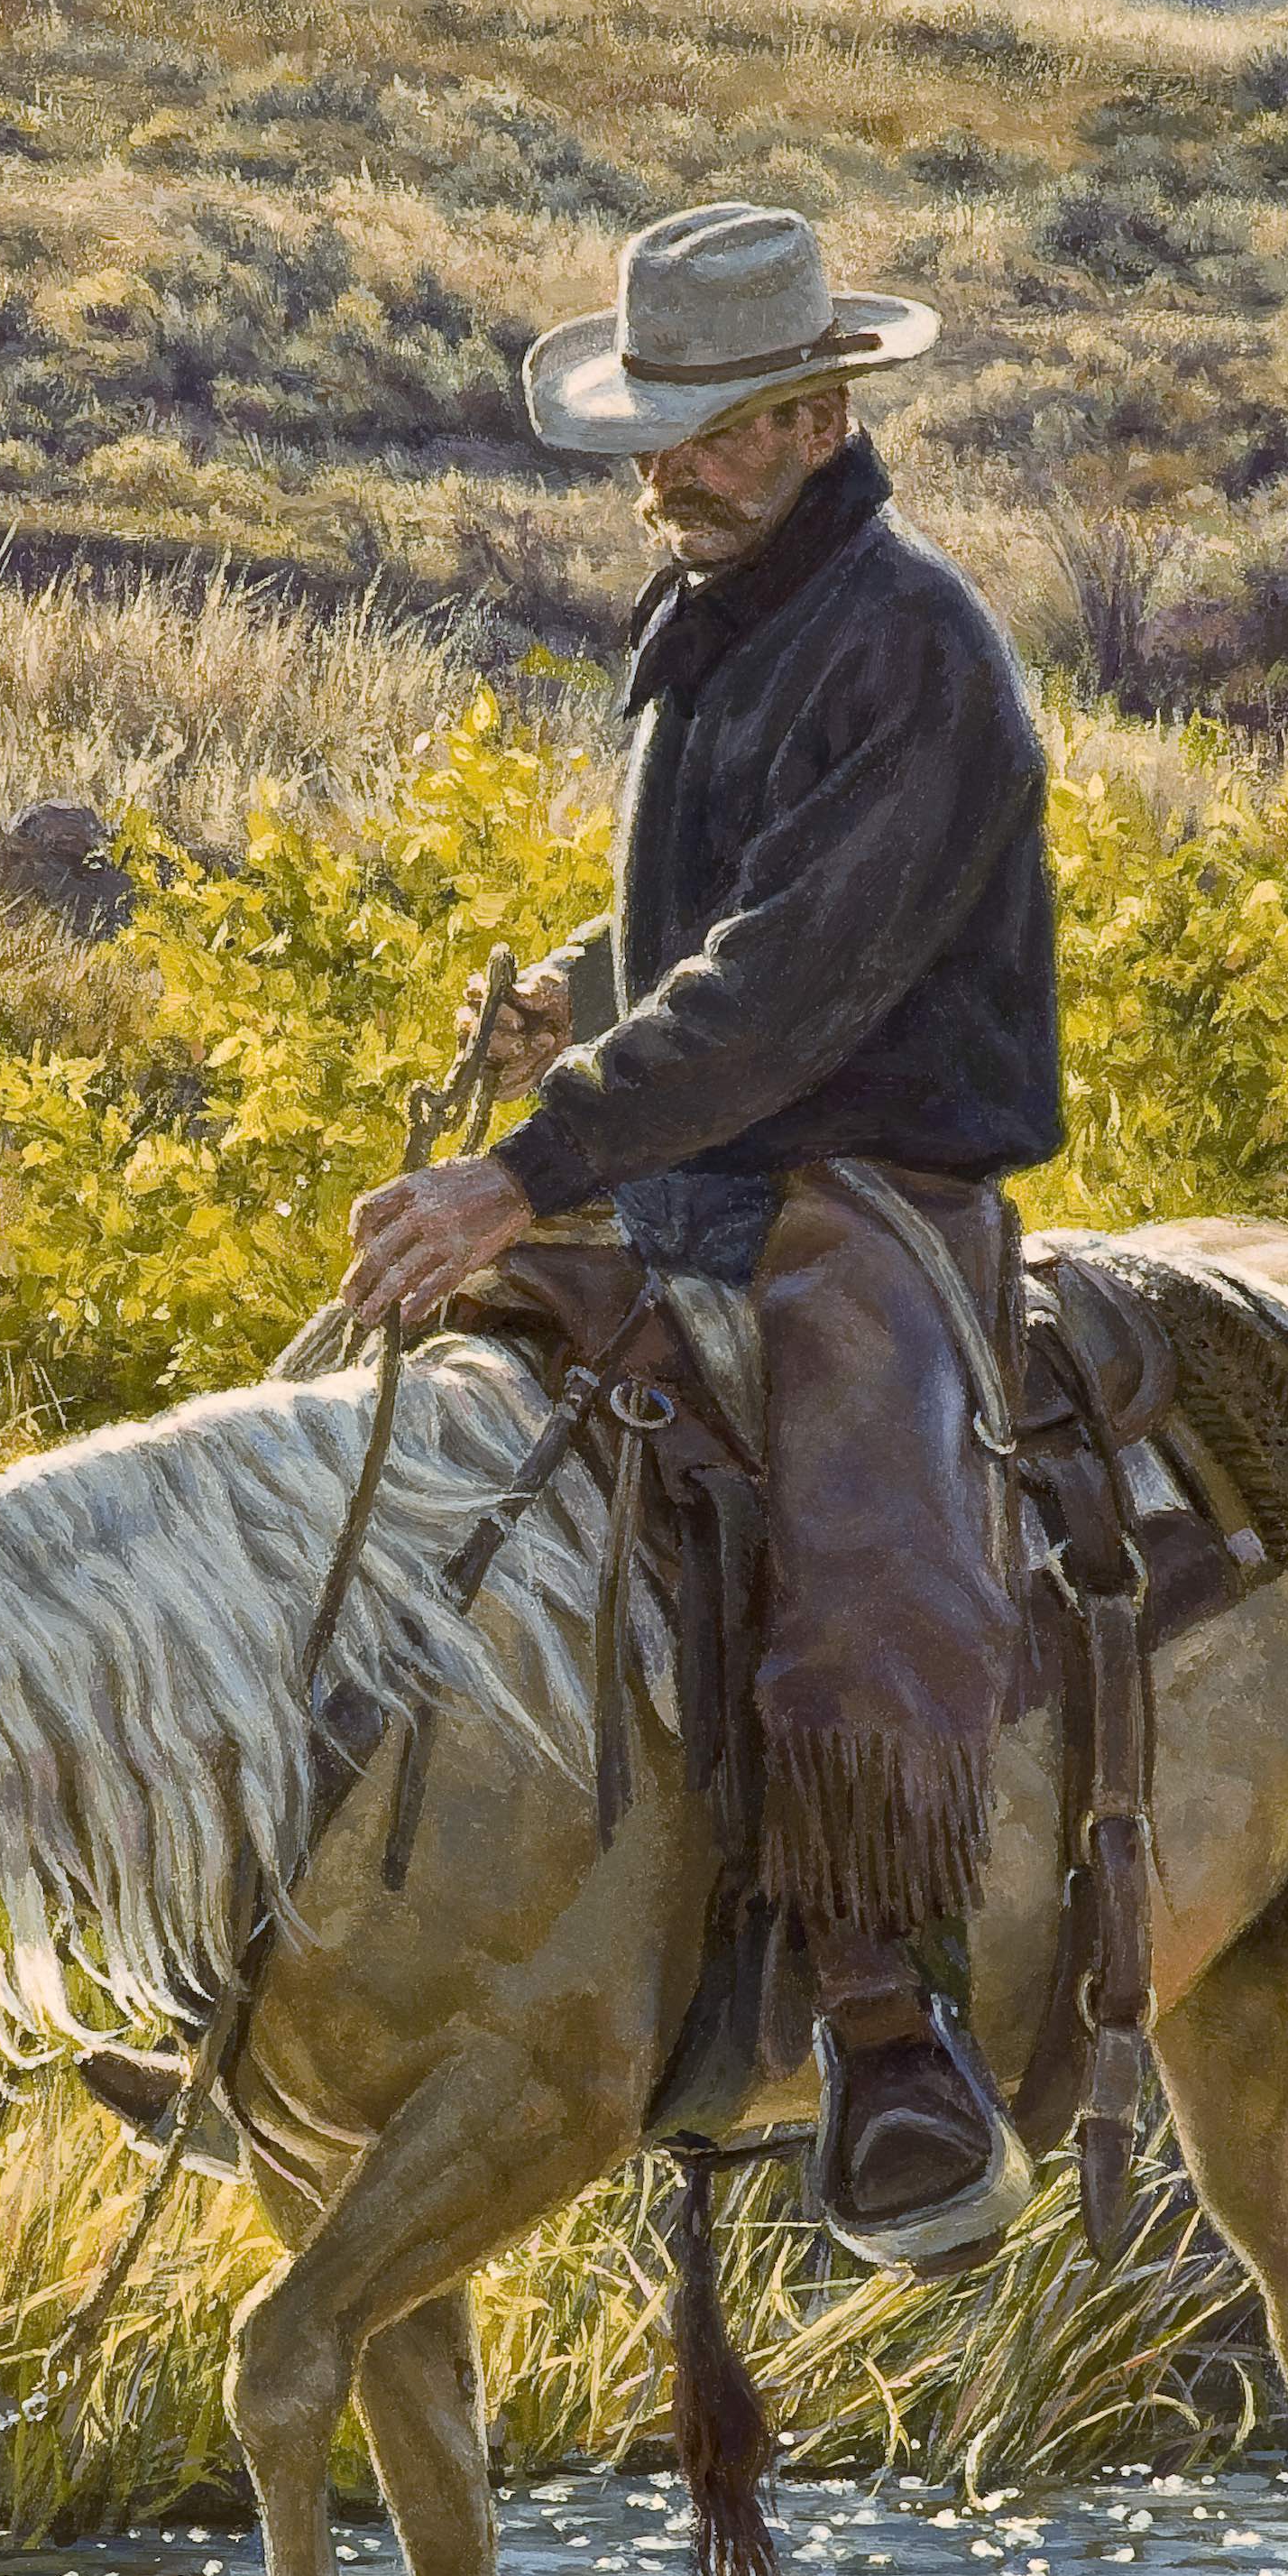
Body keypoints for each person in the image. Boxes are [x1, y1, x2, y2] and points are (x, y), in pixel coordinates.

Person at [339, 199, 1062, 2267]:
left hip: (871, 1178)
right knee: (425, 1381)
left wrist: (523, 1161)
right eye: (655, 430)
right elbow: (721, 923)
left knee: (863, 1524)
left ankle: (885, 2023)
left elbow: (799, 984)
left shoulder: (916, 645)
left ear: (824, 415)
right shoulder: (728, 613)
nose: (668, 467)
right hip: (701, 1161)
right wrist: (586, 985)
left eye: (720, 429)